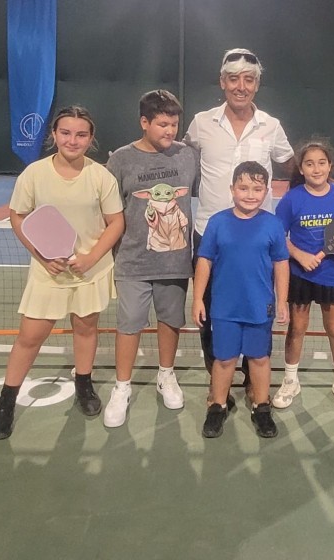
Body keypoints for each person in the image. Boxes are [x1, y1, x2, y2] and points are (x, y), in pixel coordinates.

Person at [0, 106, 125, 440]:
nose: (72, 140)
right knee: (30, 336)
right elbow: (18, 216)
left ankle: (84, 385)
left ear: (90, 139)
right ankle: (6, 401)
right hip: (48, 271)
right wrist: (41, 255)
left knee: (86, 329)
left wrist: (91, 258)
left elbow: (116, 222)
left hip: (89, 271)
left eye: (81, 134)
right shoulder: (34, 174)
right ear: (54, 134)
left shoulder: (101, 177)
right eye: (65, 133)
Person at [184, 48, 294, 403]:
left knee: (257, 309)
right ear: (222, 82)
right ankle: (218, 382)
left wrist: (327, 191)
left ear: (257, 85)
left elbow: (293, 166)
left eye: (248, 80)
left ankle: (252, 380)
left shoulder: (271, 126)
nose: (240, 86)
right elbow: (181, 161)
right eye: (233, 79)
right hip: (210, 232)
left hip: (257, 238)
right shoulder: (200, 123)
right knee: (210, 312)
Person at [103, 90, 199, 428]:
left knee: (170, 321)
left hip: (175, 263)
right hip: (132, 263)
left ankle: (166, 375)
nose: (170, 130)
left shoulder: (187, 156)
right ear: (144, 122)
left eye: (174, 124)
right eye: (162, 124)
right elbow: (107, 209)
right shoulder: (121, 160)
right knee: (129, 325)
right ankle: (122, 387)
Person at [192, 161, 289, 439]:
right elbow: (204, 261)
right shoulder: (217, 222)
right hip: (224, 308)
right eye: (243, 188)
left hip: (259, 307)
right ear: (232, 189)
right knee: (224, 360)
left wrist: (281, 301)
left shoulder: (272, 224)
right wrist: (197, 298)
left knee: (259, 358)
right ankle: (217, 406)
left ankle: (261, 407)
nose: (250, 194)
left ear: (266, 191)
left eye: (257, 189)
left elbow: (281, 264)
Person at [271, 139, 334, 411]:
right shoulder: (292, 199)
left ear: (330, 166)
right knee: (297, 329)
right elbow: (277, 236)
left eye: (321, 163)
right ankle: (290, 380)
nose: (316, 169)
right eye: (309, 164)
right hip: (300, 275)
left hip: (332, 274)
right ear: (301, 168)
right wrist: (299, 255)